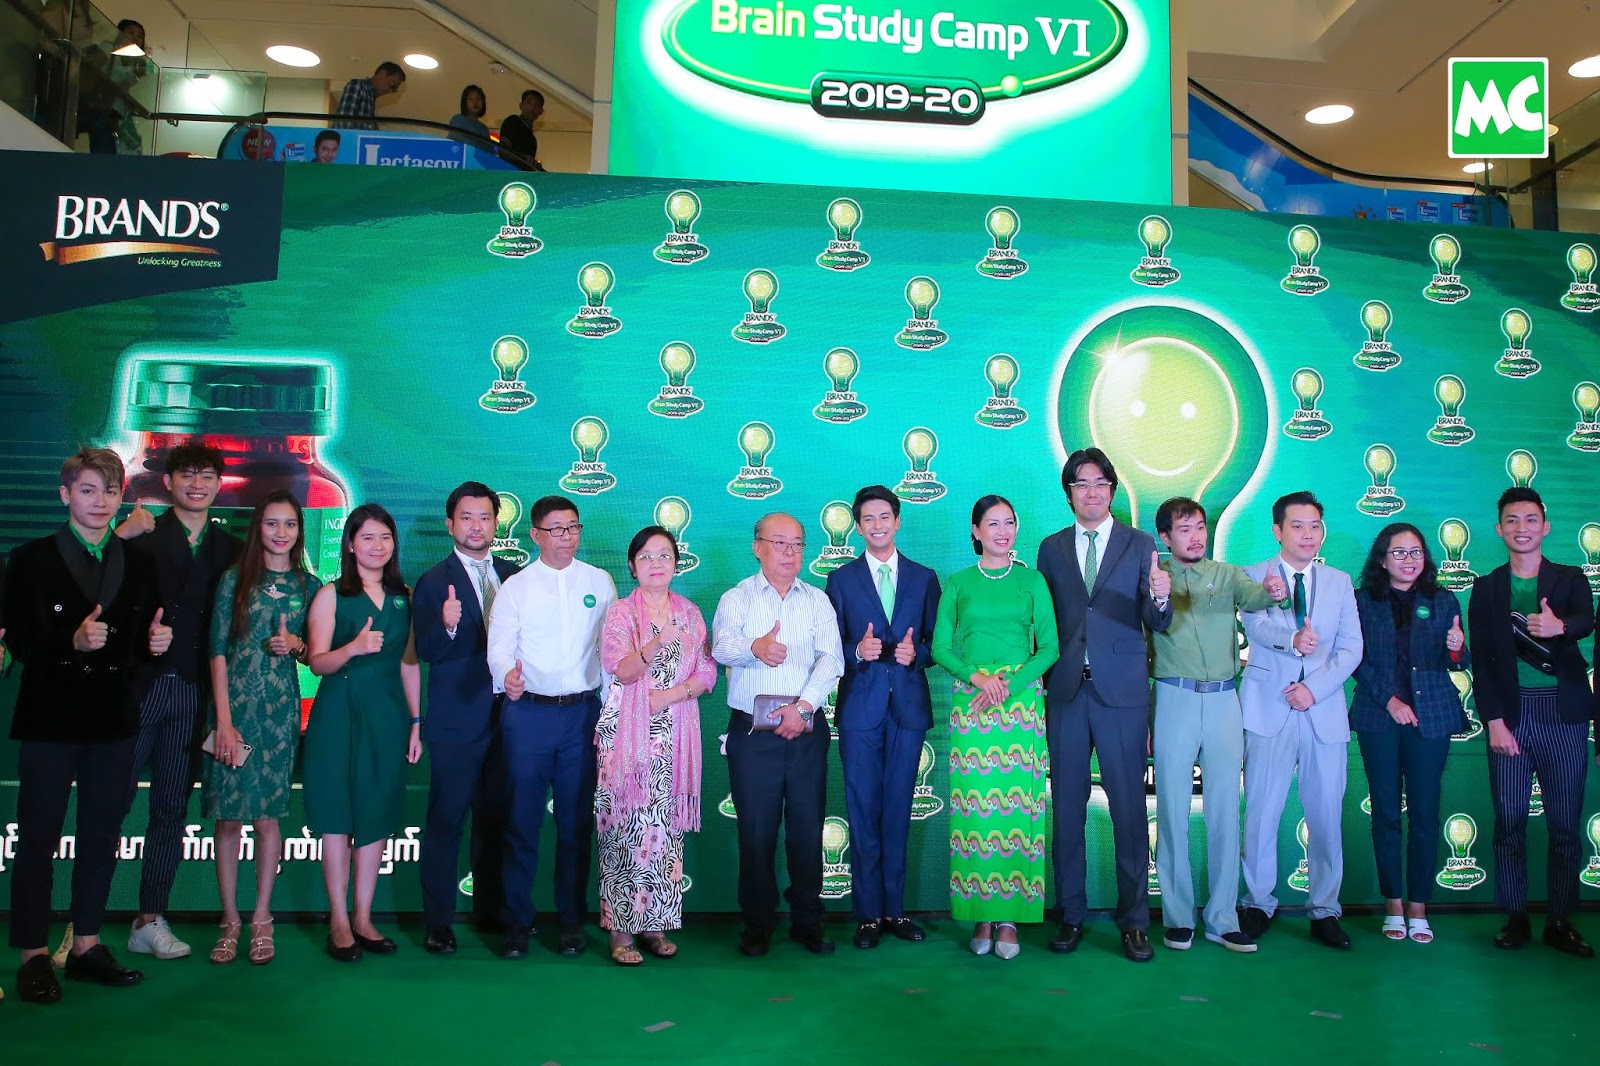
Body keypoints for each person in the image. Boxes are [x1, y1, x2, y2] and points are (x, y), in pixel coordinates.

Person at [5, 447, 171, 1004]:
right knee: (38, 839)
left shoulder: (139, 562)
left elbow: (143, 639)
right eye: (87, 490)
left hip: (113, 719)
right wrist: (69, 642)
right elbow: (19, 639)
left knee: (101, 836)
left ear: (122, 496)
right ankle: (33, 954)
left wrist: (154, 644)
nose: (100, 502)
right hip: (50, 719)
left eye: (110, 491)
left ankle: (87, 947)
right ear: (65, 495)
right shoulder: (30, 559)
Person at [1035, 447, 1172, 962]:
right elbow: (1046, 624)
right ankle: (1070, 914)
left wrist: (1160, 595)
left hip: (1122, 697)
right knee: (1067, 810)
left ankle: (1134, 922)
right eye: (1080, 484)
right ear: (1069, 493)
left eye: (1099, 483)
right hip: (1067, 692)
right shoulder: (1051, 548)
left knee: (1130, 810)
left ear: (1112, 490)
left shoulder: (1140, 545)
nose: (1090, 493)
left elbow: (1157, 622)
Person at [115, 441, 243, 963]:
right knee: (110, 802)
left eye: (206, 476)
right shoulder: (142, 537)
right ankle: (81, 922)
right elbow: (103, 605)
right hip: (140, 688)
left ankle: (150, 919)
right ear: (167, 482)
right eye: (187, 474)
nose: (197, 484)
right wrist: (141, 641)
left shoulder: (232, 550)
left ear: (218, 485)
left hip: (194, 693)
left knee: (170, 808)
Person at [1151, 497, 1286, 954]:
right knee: (1171, 809)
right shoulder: (1155, 578)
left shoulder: (1227, 575)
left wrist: (1273, 589)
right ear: (1165, 537)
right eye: (1184, 529)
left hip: (1226, 699)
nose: (1196, 537)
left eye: (1200, 527)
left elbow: (1257, 596)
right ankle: (1177, 917)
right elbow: (1146, 629)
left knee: (1226, 810)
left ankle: (1223, 917)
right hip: (1173, 697)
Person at [1467, 487, 1595, 957]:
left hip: (1563, 715)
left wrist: (1562, 627)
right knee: (1509, 822)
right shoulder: (1486, 588)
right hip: (1511, 715)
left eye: (1530, 519)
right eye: (1512, 520)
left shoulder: (1571, 577)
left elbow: (1587, 619)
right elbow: (1481, 662)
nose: (1522, 528)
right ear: (1499, 529)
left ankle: (1561, 919)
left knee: (1565, 825)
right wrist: (1494, 721)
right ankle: (1515, 916)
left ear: (1546, 526)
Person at [487, 496, 616, 959]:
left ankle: (571, 922)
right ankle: (516, 924)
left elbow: (612, 649)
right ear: (535, 535)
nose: (566, 537)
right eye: (556, 529)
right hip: (528, 715)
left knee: (575, 823)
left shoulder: (599, 582)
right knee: (521, 821)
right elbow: (499, 649)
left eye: (573, 527)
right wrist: (507, 676)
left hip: (582, 715)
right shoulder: (516, 588)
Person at [713, 513, 845, 957]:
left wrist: (804, 707)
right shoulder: (737, 598)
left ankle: (808, 920)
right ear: (757, 547)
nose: (790, 552)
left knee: (807, 830)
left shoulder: (818, 600)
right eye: (779, 542)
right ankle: (757, 923)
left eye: (797, 544)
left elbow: (832, 659)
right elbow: (720, 646)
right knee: (756, 833)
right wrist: (755, 647)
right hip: (753, 734)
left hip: (805, 727)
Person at [933, 495, 1058, 959]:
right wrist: (978, 679)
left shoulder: (1032, 580)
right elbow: (940, 647)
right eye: (992, 523)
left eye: (1009, 522)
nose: (1002, 532)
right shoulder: (958, 583)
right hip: (973, 706)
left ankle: (1010, 918)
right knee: (976, 812)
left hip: (1020, 707)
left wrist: (1009, 684)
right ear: (975, 531)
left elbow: (1050, 647)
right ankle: (980, 914)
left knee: (1017, 811)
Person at [1238, 491, 1363, 949]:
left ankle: (1325, 909)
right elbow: (1255, 626)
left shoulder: (1339, 581)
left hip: (1322, 711)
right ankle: (1257, 902)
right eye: (1297, 526)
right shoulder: (1252, 575)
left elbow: (1351, 647)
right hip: (1268, 707)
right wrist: (1291, 640)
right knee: (1261, 812)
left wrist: (1315, 689)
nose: (1308, 535)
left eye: (1315, 526)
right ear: (1278, 531)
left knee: (1326, 814)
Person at [203, 491, 320, 965]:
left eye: (289, 524)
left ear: (299, 531)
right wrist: (223, 722)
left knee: (268, 820)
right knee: (228, 819)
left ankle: (262, 918)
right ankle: (230, 919)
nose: (280, 532)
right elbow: (216, 652)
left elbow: (317, 654)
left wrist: (297, 645)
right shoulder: (235, 580)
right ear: (258, 528)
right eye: (272, 523)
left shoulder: (310, 586)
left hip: (279, 714)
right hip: (232, 713)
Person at [302, 504, 422, 961]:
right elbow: (317, 662)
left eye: (385, 537)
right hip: (338, 713)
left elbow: (409, 664)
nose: (377, 545)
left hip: (387, 716)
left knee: (375, 813)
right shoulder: (331, 595)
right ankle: (338, 920)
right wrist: (352, 648)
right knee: (336, 814)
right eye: (367, 537)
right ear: (350, 544)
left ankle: (363, 917)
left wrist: (416, 722)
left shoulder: (404, 597)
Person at [825, 485, 941, 950]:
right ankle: (868, 914)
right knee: (862, 809)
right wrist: (857, 650)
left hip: (907, 710)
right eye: (868, 519)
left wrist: (918, 655)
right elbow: (829, 647)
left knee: (897, 810)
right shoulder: (841, 580)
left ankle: (895, 910)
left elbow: (936, 643)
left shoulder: (924, 578)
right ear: (857, 527)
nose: (877, 525)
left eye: (884, 517)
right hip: (860, 709)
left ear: (898, 521)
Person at [596, 526, 716, 965]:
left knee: (664, 831)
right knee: (626, 828)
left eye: (664, 555)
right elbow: (620, 668)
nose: (656, 563)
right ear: (632, 566)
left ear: (676, 563)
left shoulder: (690, 612)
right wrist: (654, 645)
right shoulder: (620, 613)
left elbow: (707, 670)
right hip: (626, 738)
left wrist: (671, 695)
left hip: (674, 735)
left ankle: (655, 923)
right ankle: (621, 931)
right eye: (646, 556)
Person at [412, 482, 520, 954]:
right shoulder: (434, 581)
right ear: (450, 524)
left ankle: (493, 912)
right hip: (457, 723)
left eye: (485, 517)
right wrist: (449, 624)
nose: (476, 526)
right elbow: (427, 651)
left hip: (510, 719)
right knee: (447, 821)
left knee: (497, 820)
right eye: (466, 517)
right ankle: (438, 922)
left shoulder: (515, 576)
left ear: (497, 523)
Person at [1352, 522, 1468, 946]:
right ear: (1382, 560)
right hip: (1379, 717)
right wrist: (1390, 700)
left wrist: (1456, 646)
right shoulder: (1362, 601)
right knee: (1385, 811)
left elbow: (1459, 662)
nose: (1409, 560)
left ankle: (1419, 906)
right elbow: (1353, 657)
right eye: (1399, 552)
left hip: (1430, 719)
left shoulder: (1443, 599)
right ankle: (1393, 904)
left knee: (1425, 813)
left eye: (1416, 551)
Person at [334, 61, 405, 130]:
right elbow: (344, 122)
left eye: (394, 90)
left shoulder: (371, 98)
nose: (390, 91)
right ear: (382, 73)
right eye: (392, 85)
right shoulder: (358, 85)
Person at [498, 89, 547, 171]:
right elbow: (503, 151)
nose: (532, 108)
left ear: (541, 111)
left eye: (536, 105)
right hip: (508, 173)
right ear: (521, 106)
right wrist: (523, 157)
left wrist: (535, 165)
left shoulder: (533, 140)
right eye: (529, 103)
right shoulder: (513, 121)